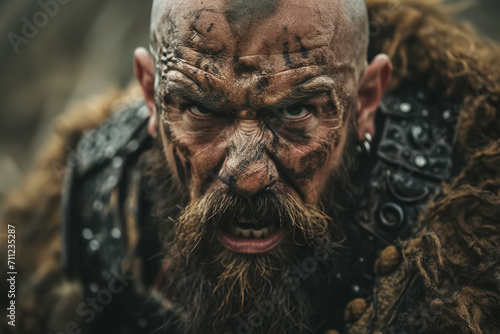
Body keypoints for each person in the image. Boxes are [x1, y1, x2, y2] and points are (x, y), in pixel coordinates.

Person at [2, 0, 500, 333]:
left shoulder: (467, 230)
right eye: (202, 109)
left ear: (367, 100)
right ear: (151, 97)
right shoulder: (100, 201)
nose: (247, 174)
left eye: (295, 111)